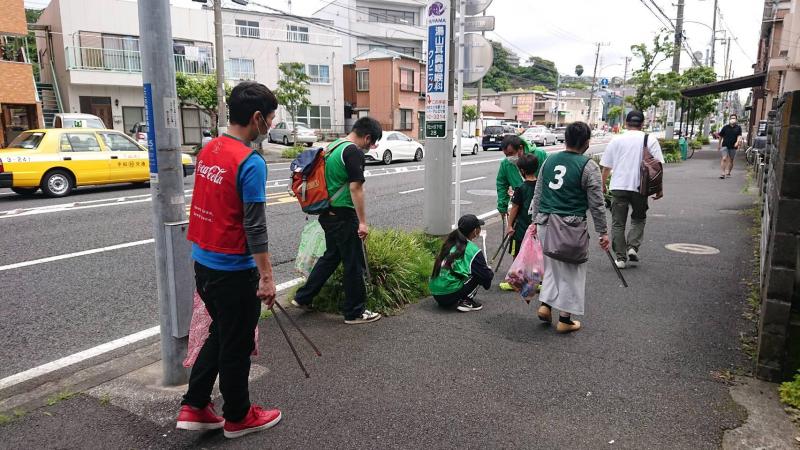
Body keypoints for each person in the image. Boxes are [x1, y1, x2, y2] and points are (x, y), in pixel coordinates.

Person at [179, 82, 281, 439]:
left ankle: (195, 404)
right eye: (270, 118)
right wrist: (266, 278)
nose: (270, 125)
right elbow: (254, 226)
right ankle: (238, 416)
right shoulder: (250, 162)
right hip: (234, 271)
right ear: (257, 118)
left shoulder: (209, 150)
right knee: (235, 344)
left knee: (221, 333)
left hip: (204, 264)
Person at [291, 117, 384, 325]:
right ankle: (354, 312)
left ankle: (303, 297)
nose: (369, 148)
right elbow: (356, 188)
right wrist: (362, 222)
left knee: (331, 256)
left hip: (327, 213)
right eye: (371, 143)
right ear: (367, 137)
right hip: (343, 215)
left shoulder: (333, 146)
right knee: (353, 262)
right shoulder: (352, 152)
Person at [529, 121, 610, 333]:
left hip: (545, 222)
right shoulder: (588, 166)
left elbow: (538, 193)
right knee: (572, 272)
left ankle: (545, 305)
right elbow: (597, 203)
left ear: (565, 139)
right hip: (570, 227)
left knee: (552, 267)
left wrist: (535, 220)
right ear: (586, 142)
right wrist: (602, 232)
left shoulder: (549, 160)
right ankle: (565, 320)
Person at [600, 110, 664, 269]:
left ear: (626, 123)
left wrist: (602, 184)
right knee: (639, 218)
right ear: (642, 124)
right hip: (640, 187)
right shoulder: (650, 139)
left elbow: (606, 166)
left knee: (618, 223)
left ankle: (620, 258)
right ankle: (632, 247)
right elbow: (658, 166)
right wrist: (659, 189)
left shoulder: (616, 139)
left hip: (618, 186)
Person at [497, 136, 547, 290]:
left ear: (520, 149)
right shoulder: (506, 164)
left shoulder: (540, 155)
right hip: (537, 220)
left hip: (522, 222)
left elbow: (515, 208)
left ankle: (518, 280)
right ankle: (536, 280)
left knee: (519, 249)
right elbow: (501, 183)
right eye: (506, 155)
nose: (508, 158)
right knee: (536, 248)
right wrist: (502, 205)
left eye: (510, 153)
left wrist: (509, 225)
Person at [429, 214, 495, 312]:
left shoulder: (449, 243)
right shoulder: (472, 250)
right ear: (475, 231)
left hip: (436, 293)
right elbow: (485, 277)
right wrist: (489, 271)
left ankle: (454, 299)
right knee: (481, 272)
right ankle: (465, 301)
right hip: (449, 294)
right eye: (479, 227)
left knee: (470, 270)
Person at [505, 154, 539, 257]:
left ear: (522, 171)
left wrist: (509, 225)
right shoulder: (541, 186)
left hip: (521, 230)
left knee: (517, 256)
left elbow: (514, 208)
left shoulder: (520, 188)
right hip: (536, 229)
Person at [717, 113, 743, 179]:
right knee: (724, 158)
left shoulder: (738, 128)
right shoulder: (725, 127)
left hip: (733, 146)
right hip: (725, 145)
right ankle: (723, 173)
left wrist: (737, 142)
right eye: (732, 118)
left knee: (731, 160)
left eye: (734, 118)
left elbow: (739, 136)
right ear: (729, 119)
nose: (733, 119)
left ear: (736, 119)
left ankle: (728, 172)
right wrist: (719, 145)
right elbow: (720, 136)